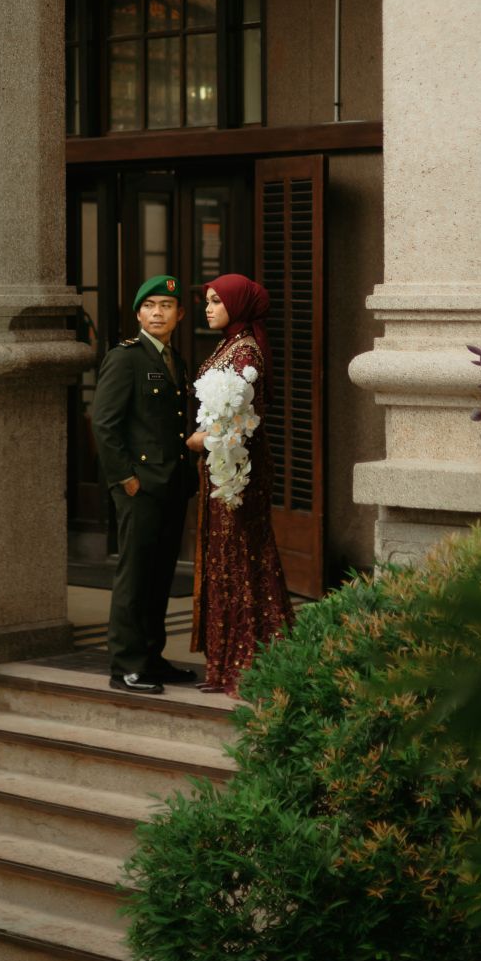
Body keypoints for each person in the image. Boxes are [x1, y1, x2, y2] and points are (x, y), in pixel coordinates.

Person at [90, 274, 198, 695]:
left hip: (170, 485)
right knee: (135, 577)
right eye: (149, 306)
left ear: (179, 314)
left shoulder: (175, 360)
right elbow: (105, 424)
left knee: (159, 576)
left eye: (166, 306)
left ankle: (152, 657)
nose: (157, 313)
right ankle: (127, 665)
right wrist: (125, 479)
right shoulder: (126, 358)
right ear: (138, 314)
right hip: (140, 487)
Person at [188, 273, 294, 695]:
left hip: (238, 469)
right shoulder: (231, 344)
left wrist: (202, 440)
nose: (208, 308)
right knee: (226, 556)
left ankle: (251, 663)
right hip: (226, 465)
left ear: (237, 304)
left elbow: (237, 422)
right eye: (207, 301)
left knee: (242, 556)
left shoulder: (245, 351)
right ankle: (228, 663)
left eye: (217, 300)